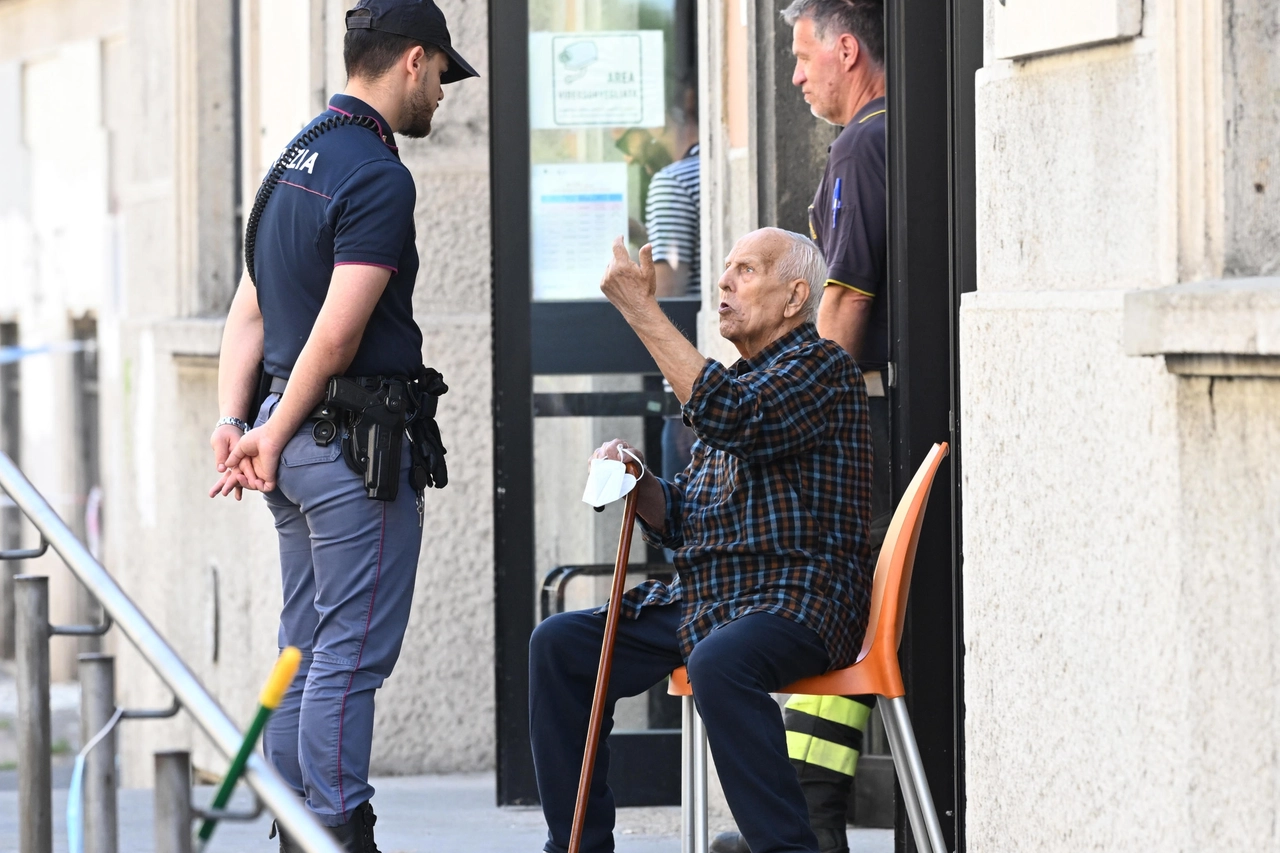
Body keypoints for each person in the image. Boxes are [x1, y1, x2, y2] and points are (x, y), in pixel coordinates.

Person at [207, 1, 476, 850]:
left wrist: (236, 420)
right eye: (441, 76)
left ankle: (299, 829)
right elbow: (338, 330)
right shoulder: (377, 175)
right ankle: (334, 829)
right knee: (349, 660)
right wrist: (272, 432)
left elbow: (247, 315)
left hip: (293, 452)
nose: (442, 95)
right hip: (348, 454)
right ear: (413, 61)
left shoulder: (288, 160)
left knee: (305, 647)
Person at [529, 228, 874, 853]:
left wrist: (642, 310)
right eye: (724, 269)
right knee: (560, 645)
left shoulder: (822, 369)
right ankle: (575, 847)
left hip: (798, 599)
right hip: (713, 598)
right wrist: (639, 480)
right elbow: (684, 516)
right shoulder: (738, 380)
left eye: (744, 271)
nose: (723, 283)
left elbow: (736, 417)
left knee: (721, 659)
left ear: (794, 296)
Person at [714, 3, 888, 851]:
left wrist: (802, 401)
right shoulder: (879, 139)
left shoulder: (861, 144)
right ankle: (805, 813)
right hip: (873, 409)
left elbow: (846, 295)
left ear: (847, 50)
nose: (794, 76)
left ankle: (810, 817)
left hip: (860, 414)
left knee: (824, 593)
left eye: (803, 56)